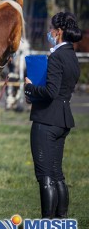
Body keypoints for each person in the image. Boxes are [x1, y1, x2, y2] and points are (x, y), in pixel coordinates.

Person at [24, 12, 82, 219]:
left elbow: (50, 91)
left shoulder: (56, 57)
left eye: (51, 29)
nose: (48, 32)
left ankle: (48, 220)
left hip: (47, 120)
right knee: (57, 173)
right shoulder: (72, 56)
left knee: (44, 175)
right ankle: (61, 219)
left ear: (58, 33)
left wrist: (30, 89)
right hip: (63, 118)